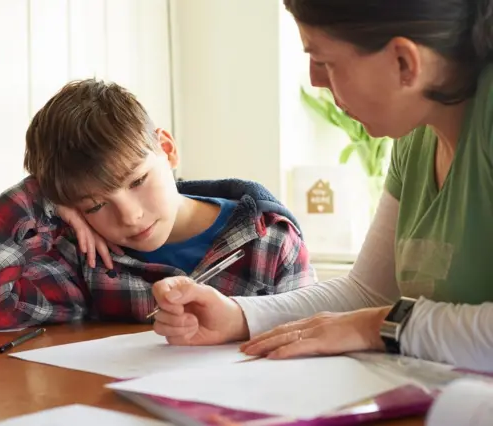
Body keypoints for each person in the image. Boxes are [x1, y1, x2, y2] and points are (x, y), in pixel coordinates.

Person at [143, 0, 493, 373]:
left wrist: (377, 326)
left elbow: (370, 313)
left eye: (325, 60)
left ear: (404, 63)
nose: (315, 79)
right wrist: (238, 316)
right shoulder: (415, 137)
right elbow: (367, 292)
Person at [0, 79, 315, 331]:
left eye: (137, 181)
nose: (130, 216)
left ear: (167, 148)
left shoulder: (271, 243)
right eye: (95, 206)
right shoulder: (86, 259)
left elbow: (308, 340)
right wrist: (40, 197)